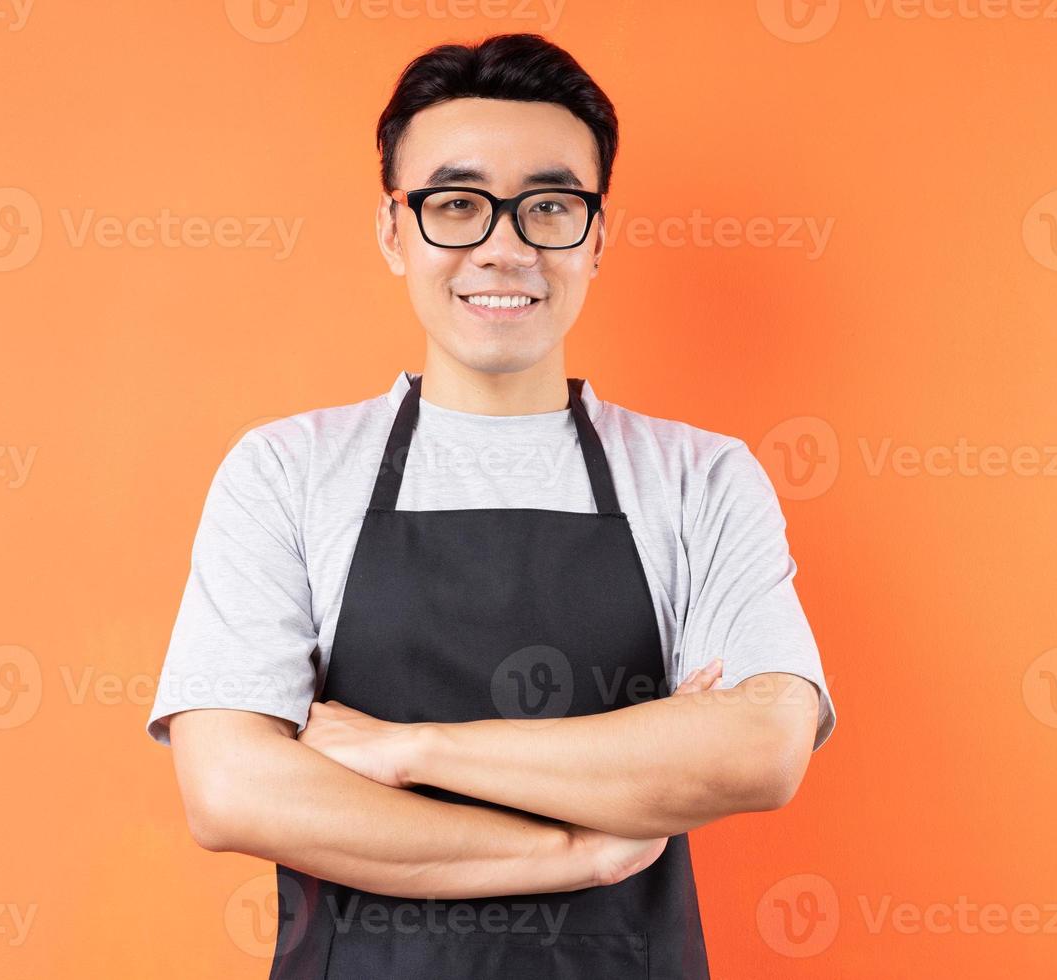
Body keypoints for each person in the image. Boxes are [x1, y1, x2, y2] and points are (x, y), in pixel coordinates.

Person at [144, 32, 837, 979]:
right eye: (456, 205)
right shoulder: (286, 470)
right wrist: (573, 852)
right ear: (394, 232)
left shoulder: (700, 477)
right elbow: (229, 789)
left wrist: (407, 749)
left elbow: (759, 748)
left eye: (548, 206)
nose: (503, 247)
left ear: (595, 237)